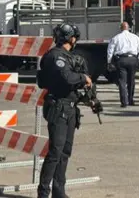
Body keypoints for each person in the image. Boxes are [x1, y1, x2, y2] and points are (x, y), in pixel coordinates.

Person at [37, 23, 93, 198]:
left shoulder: (68, 57)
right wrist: (83, 78)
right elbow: (67, 78)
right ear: (71, 38)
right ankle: (43, 193)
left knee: (64, 153)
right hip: (58, 108)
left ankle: (59, 192)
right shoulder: (56, 57)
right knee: (55, 152)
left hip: (69, 108)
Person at [107, 22, 139, 107]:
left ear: (121, 28)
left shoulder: (116, 38)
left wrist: (109, 62)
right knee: (131, 80)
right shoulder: (135, 37)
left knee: (122, 81)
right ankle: (131, 99)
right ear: (128, 28)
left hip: (121, 60)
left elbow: (110, 50)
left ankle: (124, 102)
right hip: (133, 59)